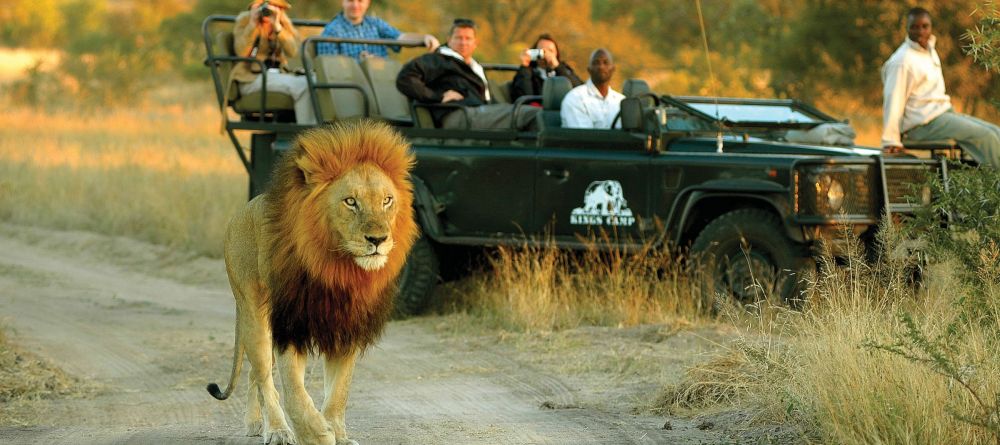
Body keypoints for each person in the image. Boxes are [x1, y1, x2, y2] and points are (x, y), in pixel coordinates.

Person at [881, 7, 1000, 168]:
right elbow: (893, 100)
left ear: (931, 27)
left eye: (925, 26)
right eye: (914, 27)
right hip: (921, 126)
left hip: (941, 115)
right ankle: (995, 183)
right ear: (907, 28)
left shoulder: (929, 50)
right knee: (986, 137)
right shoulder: (902, 61)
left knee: (995, 132)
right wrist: (891, 140)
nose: (920, 31)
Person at [396, 18, 538, 130]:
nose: (463, 43)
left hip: (481, 113)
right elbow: (405, 79)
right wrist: (437, 96)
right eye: (458, 38)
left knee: (534, 112)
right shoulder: (439, 59)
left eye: (468, 38)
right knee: (531, 114)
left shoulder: (475, 66)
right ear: (449, 39)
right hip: (458, 114)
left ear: (475, 43)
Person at [231, 0, 316, 125]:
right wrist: (252, 24)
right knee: (303, 86)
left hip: (278, 75)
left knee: (315, 80)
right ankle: (308, 137)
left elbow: (293, 52)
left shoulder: (281, 23)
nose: (267, 11)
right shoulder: (245, 21)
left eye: (275, 7)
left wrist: (278, 28)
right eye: (263, 6)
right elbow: (242, 52)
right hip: (251, 78)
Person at [317, 0, 439, 60]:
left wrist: (424, 38)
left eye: (360, 1)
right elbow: (331, 71)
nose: (355, 5)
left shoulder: (375, 23)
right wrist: (360, 64)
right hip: (355, 88)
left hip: (382, 80)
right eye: (350, 0)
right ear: (342, 2)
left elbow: (400, 37)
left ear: (368, 2)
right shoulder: (332, 31)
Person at [560, 48, 625, 129]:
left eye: (606, 62)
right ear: (589, 69)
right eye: (596, 63)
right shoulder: (575, 98)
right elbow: (583, 137)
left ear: (613, 68)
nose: (601, 67)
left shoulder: (622, 102)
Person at [510, 34, 583, 101]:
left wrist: (557, 67)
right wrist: (525, 66)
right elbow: (524, 97)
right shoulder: (527, 72)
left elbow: (579, 90)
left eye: (550, 51)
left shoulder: (563, 69)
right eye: (542, 50)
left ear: (556, 53)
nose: (546, 54)